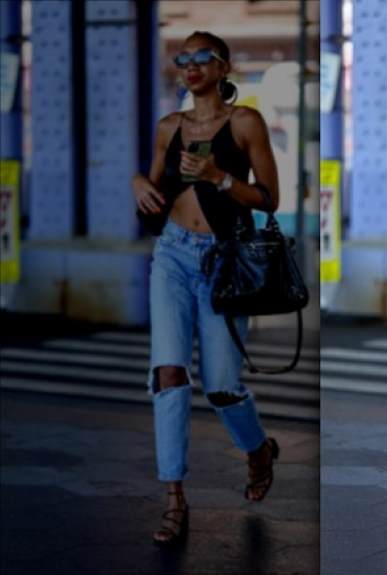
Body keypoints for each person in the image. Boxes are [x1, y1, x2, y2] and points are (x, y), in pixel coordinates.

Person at [131, 31, 281, 546]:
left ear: (222, 67)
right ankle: (173, 497)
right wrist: (138, 184)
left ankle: (258, 449)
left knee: (220, 386)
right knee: (169, 373)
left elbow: (269, 198)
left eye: (202, 58)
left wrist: (219, 178)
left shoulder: (245, 123)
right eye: (183, 58)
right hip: (172, 254)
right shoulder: (168, 127)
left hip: (226, 259)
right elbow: (154, 190)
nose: (190, 66)